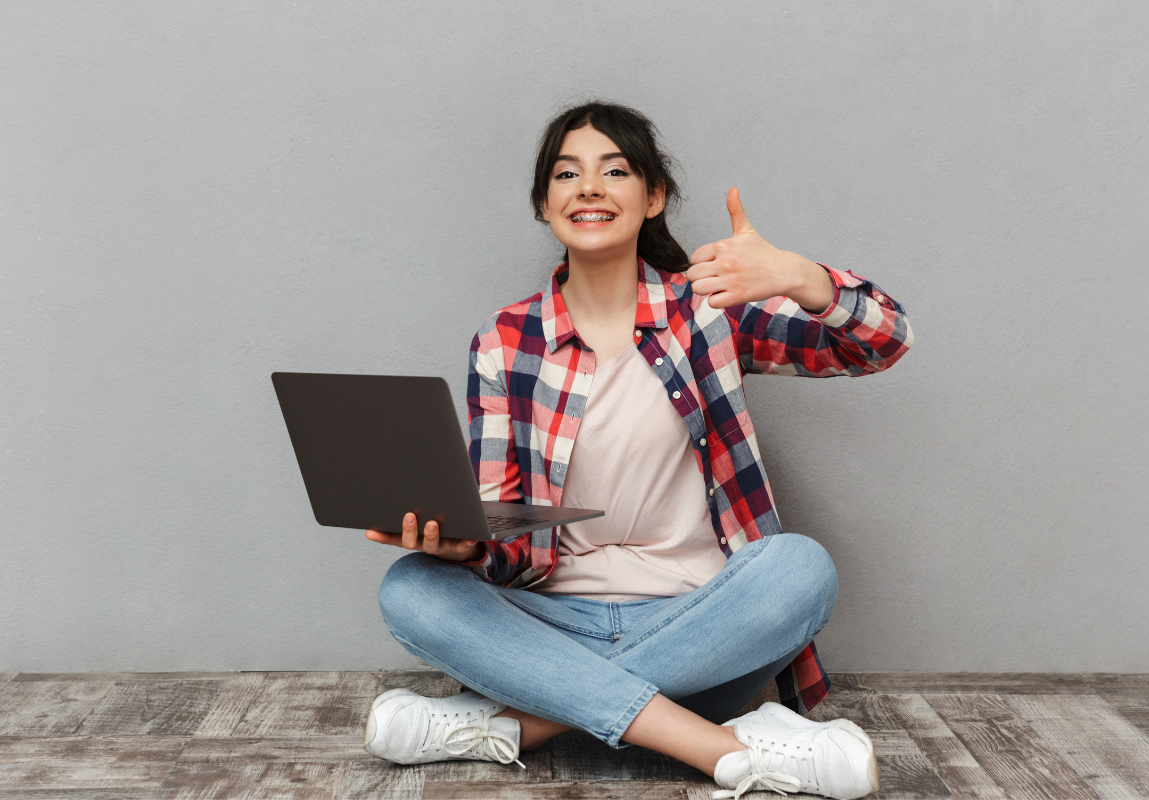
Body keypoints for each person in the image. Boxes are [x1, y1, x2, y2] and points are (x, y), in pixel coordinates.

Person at [363, 101, 913, 800]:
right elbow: (505, 533)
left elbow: (881, 343)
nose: (589, 188)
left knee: (801, 568)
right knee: (411, 587)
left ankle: (517, 723)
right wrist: (464, 546)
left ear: (654, 197)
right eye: (567, 174)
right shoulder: (504, 340)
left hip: (702, 624)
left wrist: (801, 277)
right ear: (545, 203)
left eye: (615, 171)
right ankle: (723, 748)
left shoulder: (709, 310)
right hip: (551, 625)